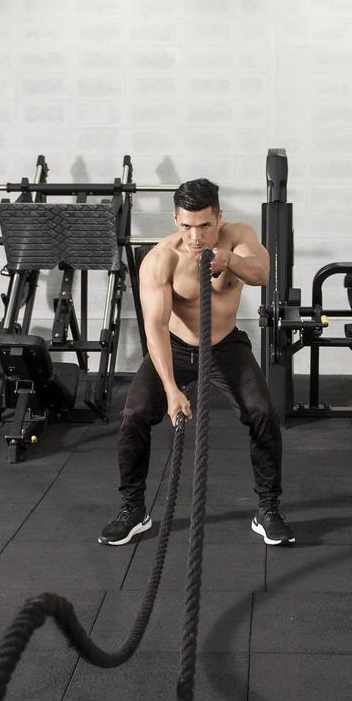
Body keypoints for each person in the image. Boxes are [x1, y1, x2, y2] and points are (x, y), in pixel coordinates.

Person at [98, 178, 295, 547]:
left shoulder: (238, 236)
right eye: (187, 226)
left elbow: (263, 274)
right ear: (175, 220)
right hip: (174, 346)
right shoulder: (161, 259)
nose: (195, 236)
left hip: (225, 346)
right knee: (134, 414)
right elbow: (155, 328)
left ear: (219, 217)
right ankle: (133, 509)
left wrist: (231, 261)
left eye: (205, 225)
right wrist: (172, 390)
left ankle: (267, 509)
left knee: (263, 412)